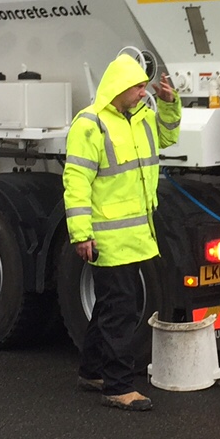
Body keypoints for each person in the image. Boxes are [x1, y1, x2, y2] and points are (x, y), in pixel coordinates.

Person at [62, 54, 181, 410]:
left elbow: (168, 138)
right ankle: (118, 386)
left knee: (111, 307)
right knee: (122, 311)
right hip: (108, 238)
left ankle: (92, 370)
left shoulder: (143, 117)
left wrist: (170, 105)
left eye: (145, 87)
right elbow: (76, 181)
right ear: (119, 87)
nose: (144, 92)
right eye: (138, 87)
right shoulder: (91, 125)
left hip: (136, 235)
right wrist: (81, 234)